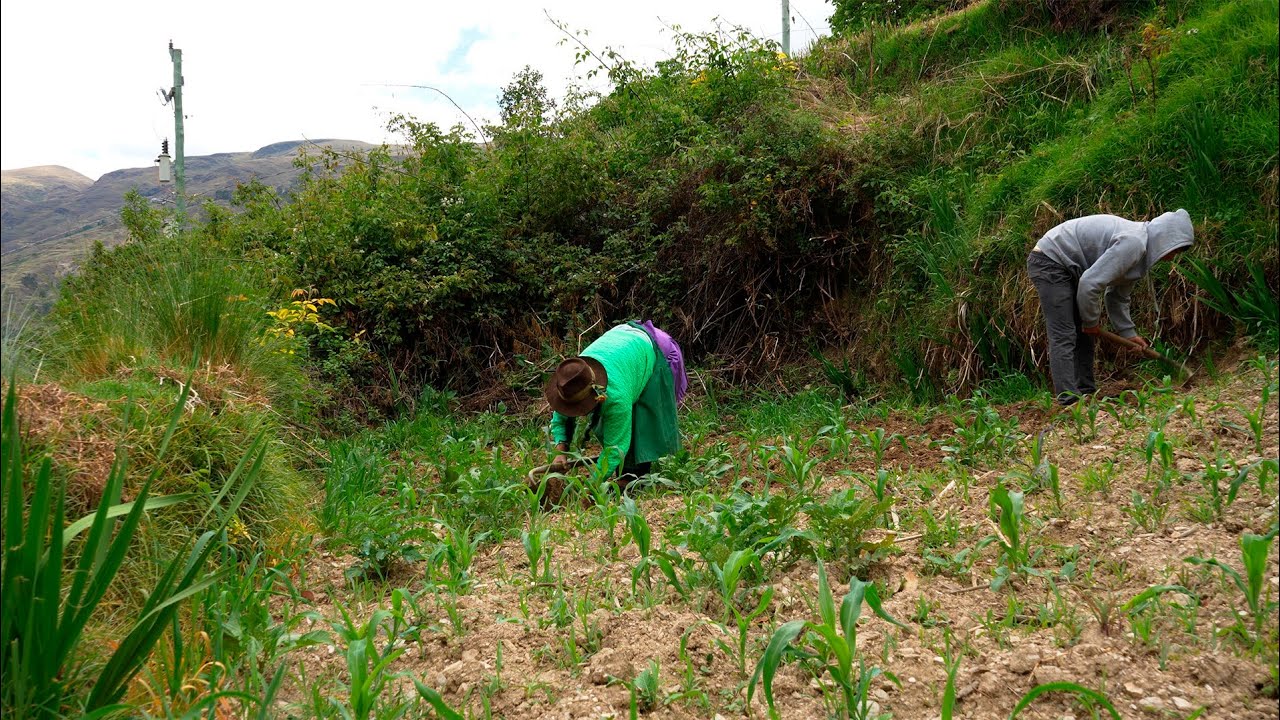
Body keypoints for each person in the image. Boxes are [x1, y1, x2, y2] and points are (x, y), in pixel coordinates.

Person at [1027, 208, 1194, 406]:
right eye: (1175, 250)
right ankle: (1068, 400)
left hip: (1071, 266)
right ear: (1166, 239)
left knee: (1084, 333)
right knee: (1064, 332)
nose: (1172, 257)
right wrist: (1091, 321)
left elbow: (1117, 297)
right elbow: (1090, 284)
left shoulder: (1140, 255)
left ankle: (1086, 392)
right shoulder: (1134, 243)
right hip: (1050, 260)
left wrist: (1128, 334)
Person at [545, 321, 686, 479]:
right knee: (617, 424)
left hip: (656, 349)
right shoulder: (571, 378)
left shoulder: (615, 395)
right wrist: (560, 452)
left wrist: (593, 485)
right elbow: (561, 416)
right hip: (621, 343)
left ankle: (637, 475)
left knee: (641, 423)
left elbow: (615, 448)